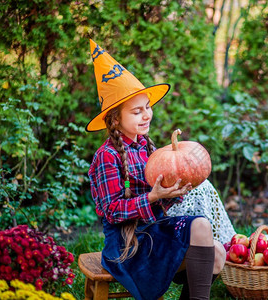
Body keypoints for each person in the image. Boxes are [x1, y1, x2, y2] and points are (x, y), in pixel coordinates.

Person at [86, 39, 225, 300]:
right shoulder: (107, 156)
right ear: (116, 119)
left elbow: (160, 204)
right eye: (137, 111)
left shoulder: (148, 149)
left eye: (147, 107)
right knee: (208, 242)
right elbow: (112, 211)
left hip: (154, 231)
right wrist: (152, 197)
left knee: (216, 249)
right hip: (128, 247)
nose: (147, 115)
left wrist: (175, 191)